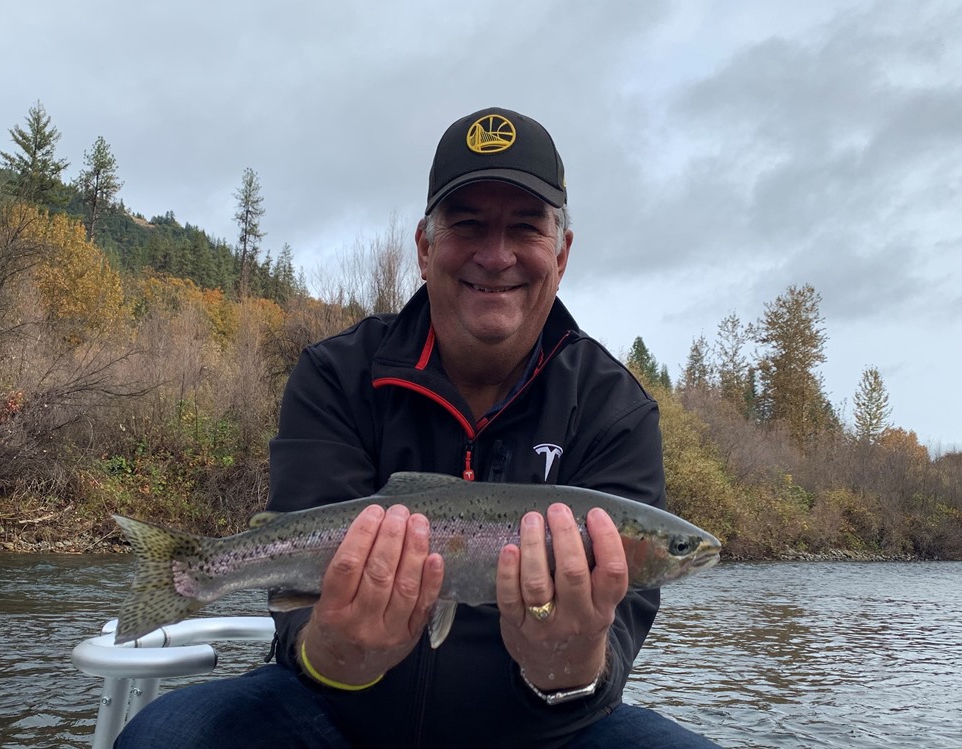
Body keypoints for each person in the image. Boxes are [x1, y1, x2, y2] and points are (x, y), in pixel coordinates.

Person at [115, 108, 720, 748]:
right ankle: (186, 571)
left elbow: (612, 654)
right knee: (170, 735)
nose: (496, 255)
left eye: (525, 227)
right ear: (426, 248)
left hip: (545, 734)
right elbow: (294, 614)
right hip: (335, 720)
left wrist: (566, 666)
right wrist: (335, 652)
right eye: (467, 225)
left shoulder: (613, 408)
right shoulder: (337, 374)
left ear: (562, 253)